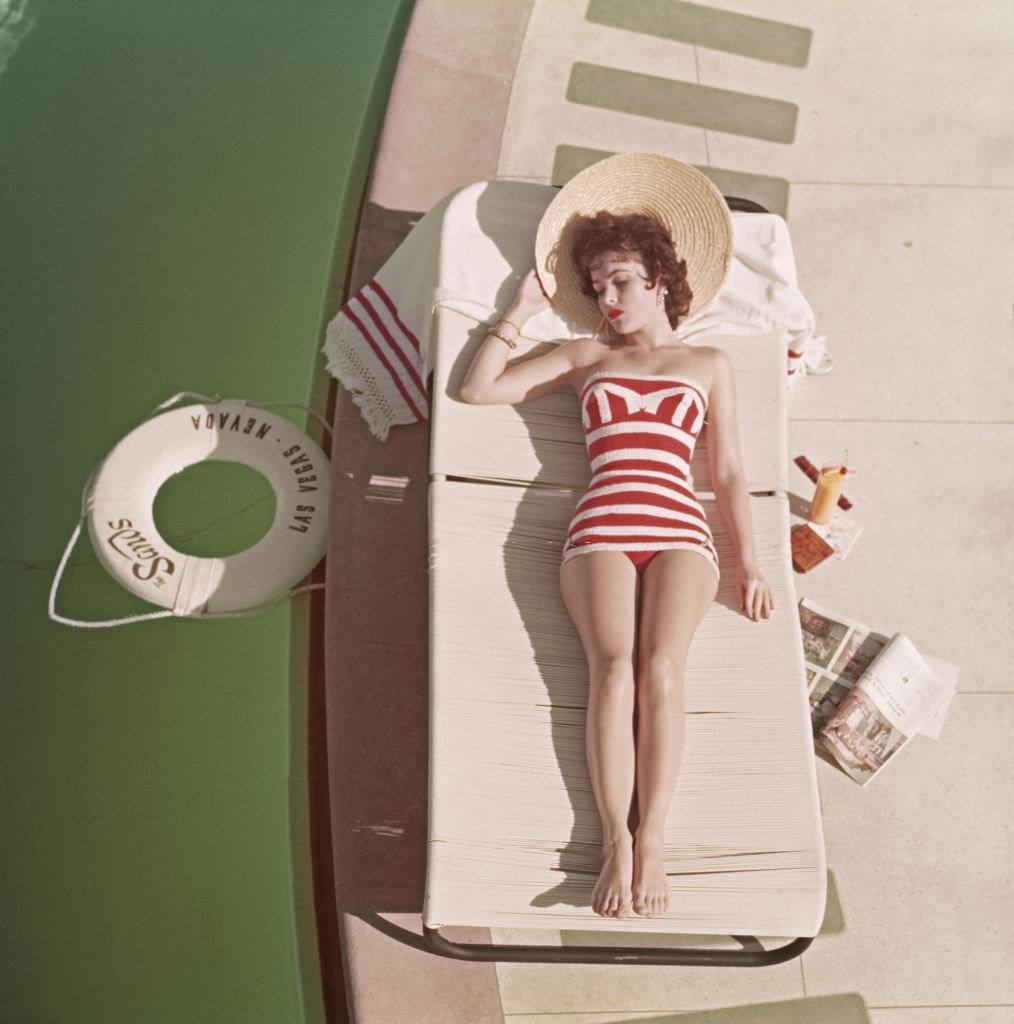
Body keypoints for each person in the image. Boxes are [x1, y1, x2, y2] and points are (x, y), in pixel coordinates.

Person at [459, 154, 774, 922]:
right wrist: (521, 308)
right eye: (598, 285)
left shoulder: (706, 362)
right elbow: (475, 389)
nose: (609, 297)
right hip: (601, 524)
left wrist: (753, 561)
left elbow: (728, 472)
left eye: (623, 280)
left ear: (661, 279)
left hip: (678, 531)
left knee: (663, 669)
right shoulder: (585, 357)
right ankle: (614, 842)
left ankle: (655, 838)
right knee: (613, 669)